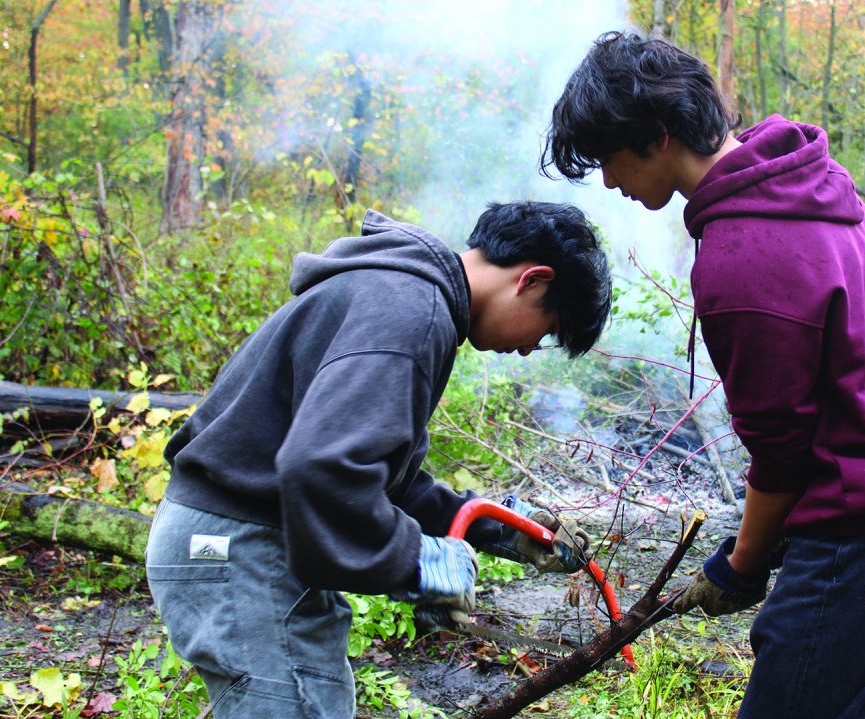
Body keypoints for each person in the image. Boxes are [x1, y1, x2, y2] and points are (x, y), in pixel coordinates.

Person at [542, 31, 865, 719]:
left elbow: (782, 454)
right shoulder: (808, 185)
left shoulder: (740, 255)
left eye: (609, 157)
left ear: (656, 136)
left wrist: (739, 568)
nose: (608, 181)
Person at [145, 202, 611, 718]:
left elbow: (385, 480)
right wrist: (416, 561)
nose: (528, 349)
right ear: (532, 281)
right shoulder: (412, 309)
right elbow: (321, 469)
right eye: (546, 330)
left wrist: (501, 529)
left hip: (234, 541)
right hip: (236, 546)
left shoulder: (400, 293)